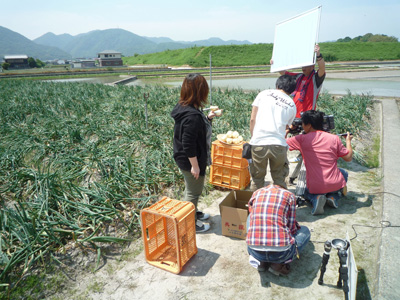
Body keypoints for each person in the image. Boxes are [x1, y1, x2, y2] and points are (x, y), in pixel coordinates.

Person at [171, 73, 220, 233]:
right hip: (191, 160)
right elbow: (188, 143)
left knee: (192, 189)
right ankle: (189, 223)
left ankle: (193, 212)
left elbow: (192, 132)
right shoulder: (192, 116)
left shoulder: (184, 108)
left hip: (183, 157)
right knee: (193, 191)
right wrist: (195, 166)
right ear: (200, 92)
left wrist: (207, 118)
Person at [272, 44, 326, 184]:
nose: (303, 68)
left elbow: (322, 69)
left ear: (312, 66)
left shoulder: (316, 78)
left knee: (305, 144)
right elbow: (283, 73)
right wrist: (275, 63)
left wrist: (318, 55)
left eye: (306, 66)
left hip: (307, 117)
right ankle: (292, 164)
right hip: (293, 116)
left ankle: (301, 169)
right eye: (302, 66)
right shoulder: (298, 77)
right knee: (288, 139)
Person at [286, 110, 353, 215]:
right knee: (343, 173)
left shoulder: (301, 139)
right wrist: (348, 141)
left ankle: (315, 198)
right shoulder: (334, 138)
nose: (302, 126)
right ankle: (333, 197)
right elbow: (348, 157)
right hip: (334, 183)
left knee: (304, 190)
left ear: (309, 125)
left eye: (303, 123)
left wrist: (288, 130)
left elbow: (281, 144)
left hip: (315, 186)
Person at [246, 184, 311, 275]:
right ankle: (277, 265)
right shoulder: (290, 195)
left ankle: (261, 263)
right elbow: (292, 228)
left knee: (251, 216)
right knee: (305, 231)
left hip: (255, 251)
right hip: (282, 254)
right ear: (283, 188)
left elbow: (251, 211)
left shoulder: (256, 193)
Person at [249, 74, 297, 190]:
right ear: (292, 90)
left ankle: (255, 205)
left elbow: (252, 119)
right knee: (279, 179)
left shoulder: (263, 94)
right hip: (278, 144)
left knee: (257, 179)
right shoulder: (292, 105)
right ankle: (279, 205)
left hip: (259, 142)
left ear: (277, 84)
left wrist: (253, 138)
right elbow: (287, 126)